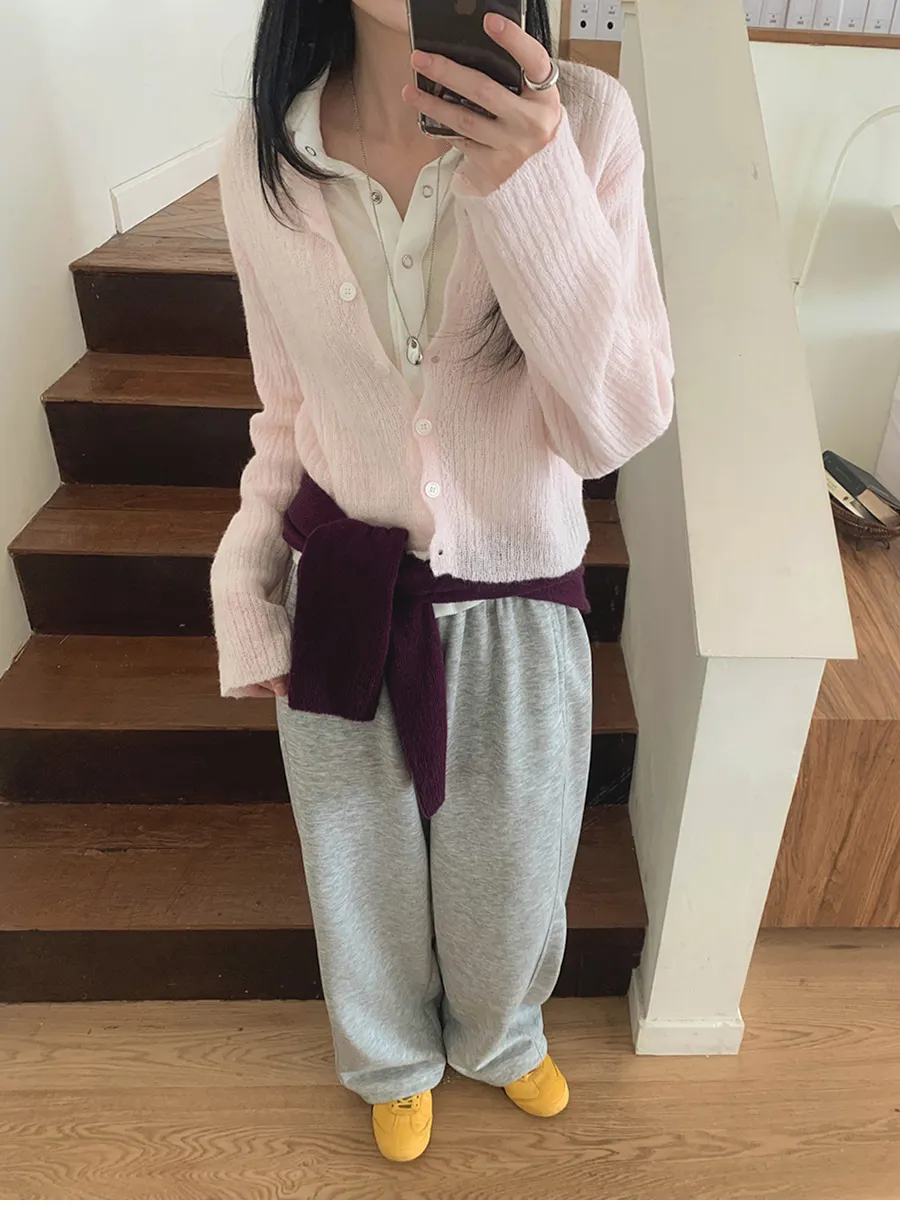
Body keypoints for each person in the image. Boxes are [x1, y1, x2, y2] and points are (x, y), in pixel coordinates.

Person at [210, 0, 673, 1164]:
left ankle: (501, 1034)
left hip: (519, 589)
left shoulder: (587, 121)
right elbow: (285, 411)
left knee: (512, 869)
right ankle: (389, 1059)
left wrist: (533, 185)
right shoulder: (264, 147)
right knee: (354, 863)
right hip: (342, 583)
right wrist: (247, 582)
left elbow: (612, 426)